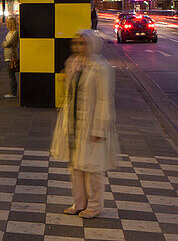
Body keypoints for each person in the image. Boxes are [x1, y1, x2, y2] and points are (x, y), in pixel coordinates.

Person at [50, 30, 119, 218]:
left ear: (92, 44)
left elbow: (105, 100)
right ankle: (79, 203)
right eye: (77, 43)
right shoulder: (74, 63)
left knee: (93, 166)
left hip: (91, 123)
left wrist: (99, 128)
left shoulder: (101, 68)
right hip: (73, 121)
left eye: (84, 43)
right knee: (76, 165)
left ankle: (95, 205)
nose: (80, 48)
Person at [2, 16, 19, 99]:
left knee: (11, 76)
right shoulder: (9, 33)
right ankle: (13, 92)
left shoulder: (15, 33)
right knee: (10, 75)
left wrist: (5, 44)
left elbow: (7, 43)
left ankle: (13, 93)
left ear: (11, 24)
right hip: (6, 56)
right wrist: (5, 43)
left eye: (8, 23)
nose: (7, 24)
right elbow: (3, 43)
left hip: (11, 56)